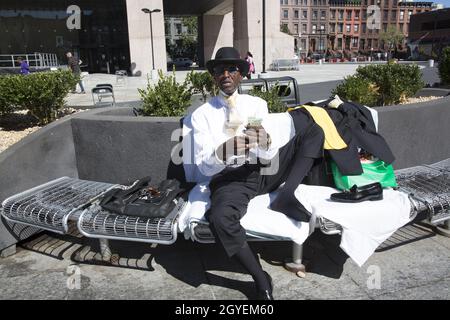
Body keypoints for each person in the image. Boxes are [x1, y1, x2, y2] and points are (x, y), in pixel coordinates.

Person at [190, 47, 325, 300]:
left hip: (264, 170)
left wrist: (266, 142)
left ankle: (287, 193)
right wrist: (223, 151)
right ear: (214, 76)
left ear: (241, 74)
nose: (226, 74)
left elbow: (267, 154)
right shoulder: (202, 115)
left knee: (313, 131)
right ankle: (260, 277)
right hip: (231, 179)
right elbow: (203, 167)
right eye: (220, 69)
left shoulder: (257, 104)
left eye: (233, 69)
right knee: (220, 219)